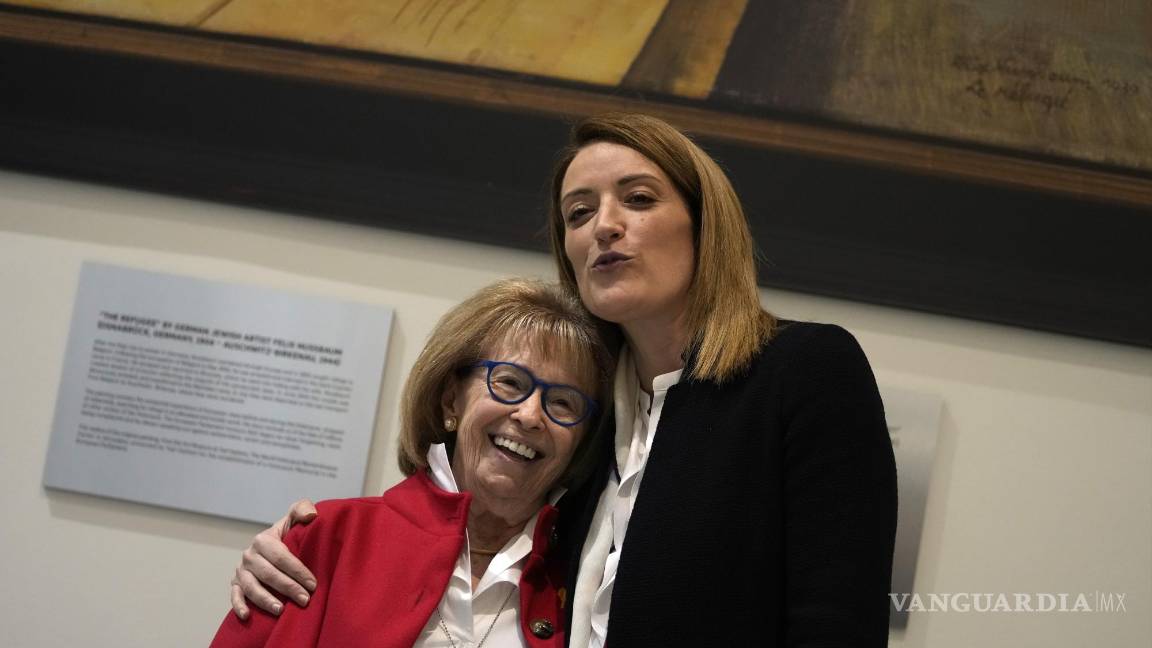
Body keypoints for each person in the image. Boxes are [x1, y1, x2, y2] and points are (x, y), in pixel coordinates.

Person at [229, 113, 898, 646]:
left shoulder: (804, 371)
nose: (604, 226)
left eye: (637, 199)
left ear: (704, 224)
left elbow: (836, 624)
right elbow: (478, 528)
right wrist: (304, 543)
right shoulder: (589, 412)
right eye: (578, 214)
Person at [211, 278, 611, 647]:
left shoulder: (585, 583)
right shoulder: (327, 539)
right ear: (450, 400)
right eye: (509, 382)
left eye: (562, 402)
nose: (529, 415)